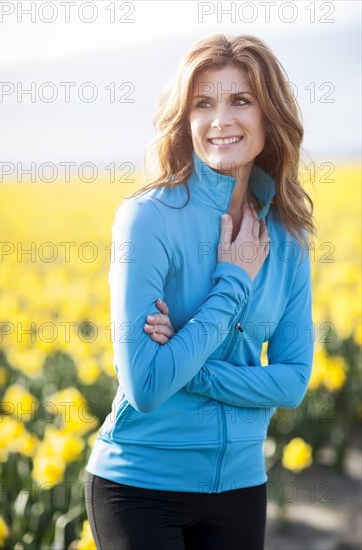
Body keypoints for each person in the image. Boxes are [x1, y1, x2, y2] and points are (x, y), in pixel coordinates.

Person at [84, 33, 316, 550]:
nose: (220, 120)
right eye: (203, 103)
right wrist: (233, 281)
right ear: (185, 120)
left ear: (269, 114)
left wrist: (185, 362)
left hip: (241, 487)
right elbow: (144, 387)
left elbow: (293, 381)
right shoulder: (148, 219)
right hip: (139, 486)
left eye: (240, 100)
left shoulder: (288, 235)